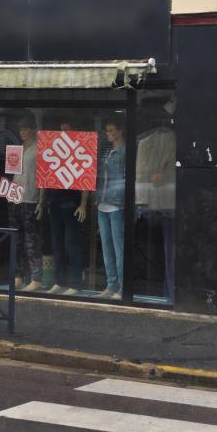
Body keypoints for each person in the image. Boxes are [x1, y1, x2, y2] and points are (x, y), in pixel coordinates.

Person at [44, 119, 89, 296]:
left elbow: (87, 176)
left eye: (67, 129)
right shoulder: (55, 149)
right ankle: (59, 281)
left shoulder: (80, 149)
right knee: (57, 243)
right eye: (61, 129)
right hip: (55, 202)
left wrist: (83, 204)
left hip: (72, 203)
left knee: (72, 244)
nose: (63, 132)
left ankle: (76, 283)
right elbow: (45, 174)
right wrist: (45, 201)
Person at [8, 113, 43, 292]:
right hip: (16, 198)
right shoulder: (17, 149)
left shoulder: (39, 150)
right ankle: (18, 276)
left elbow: (44, 177)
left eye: (26, 129)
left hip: (31, 198)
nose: (23, 132)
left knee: (32, 240)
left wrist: (41, 201)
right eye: (21, 129)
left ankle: (36, 277)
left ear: (33, 130)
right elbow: (13, 174)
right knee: (17, 239)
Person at [97, 116, 125, 299]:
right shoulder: (107, 152)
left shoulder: (125, 152)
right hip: (103, 203)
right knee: (107, 247)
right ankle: (112, 284)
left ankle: (123, 287)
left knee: (119, 248)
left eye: (112, 130)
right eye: (107, 131)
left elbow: (128, 177)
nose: (108, 134)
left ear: (120, 131)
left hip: (117, 204)